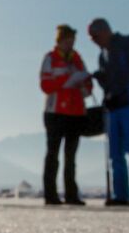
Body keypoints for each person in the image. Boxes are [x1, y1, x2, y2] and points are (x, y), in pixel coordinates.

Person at [88, 18, 129, 206]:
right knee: (115, 152)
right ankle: (120, 194)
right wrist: (102, 80)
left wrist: (116, 89)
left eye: (95, 36)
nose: (94, 41)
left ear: (105, 31)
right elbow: (109, 81)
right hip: (113, 107)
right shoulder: (102, 55)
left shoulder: (128, 43)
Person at [39, 24, 92, 205]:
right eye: (67, 41)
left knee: (71, 157)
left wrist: (82, 85)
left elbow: (88, 85)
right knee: (52, 154)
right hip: (55, 113)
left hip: (75, 113)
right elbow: (45, 85)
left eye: (73, 41)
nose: (70, 45)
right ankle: (50, 194)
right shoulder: (50, 58)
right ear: (60, 41)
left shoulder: (77, 59)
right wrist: (65, 80)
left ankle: (71, 194)